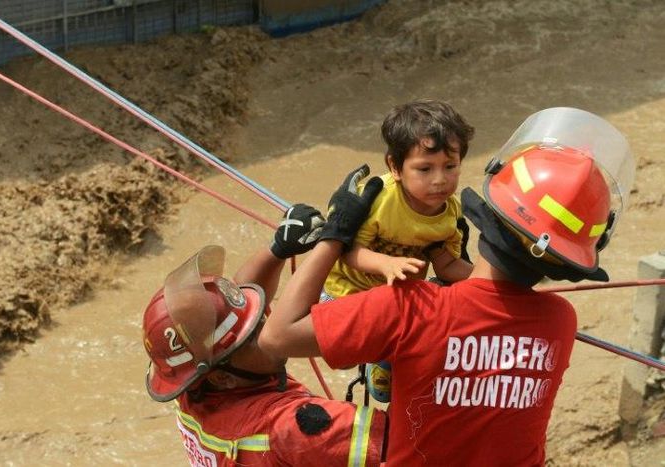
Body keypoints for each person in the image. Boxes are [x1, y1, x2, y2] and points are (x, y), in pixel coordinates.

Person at [259, 107, 635, 466]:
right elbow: (485, 307)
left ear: (488, 214)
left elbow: (276, 337)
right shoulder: (560, 323)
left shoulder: (410, 307)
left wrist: (334, 234)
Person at [141, 203, 387, 467]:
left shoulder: (193, 385)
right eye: (254, 335)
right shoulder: (294, 427)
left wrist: (278, 249)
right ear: (222, 376)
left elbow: (238, 300)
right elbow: (416, 441)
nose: (270, 327)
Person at [323, 99, 475, 402]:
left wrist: (492, 280)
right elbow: (349, 251)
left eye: (450, 166)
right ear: (395, 167)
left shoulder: (450, 213)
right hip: (347, 289)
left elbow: (446, 266)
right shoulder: (379, 200)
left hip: (396, 301)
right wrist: (386, 265)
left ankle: (384, 357)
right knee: (343, 357)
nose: (439, 180)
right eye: (424, 169)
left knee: (384, 392)